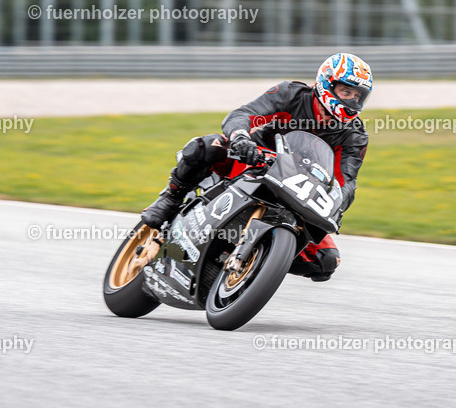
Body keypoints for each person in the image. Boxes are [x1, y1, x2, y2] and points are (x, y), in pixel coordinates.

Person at [140, 53, 372, 282]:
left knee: (326, 260)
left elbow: (346, 181)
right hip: (255, 160)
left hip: (301, 190)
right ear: (327, 83)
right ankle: (171, 198)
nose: (351, 100)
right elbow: (245, 114)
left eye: (357, 96)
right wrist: (241, 138)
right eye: (346, 91)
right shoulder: (291, 94)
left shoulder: (356, 136)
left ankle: (259, 263)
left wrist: (338, 203)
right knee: (208, 146)